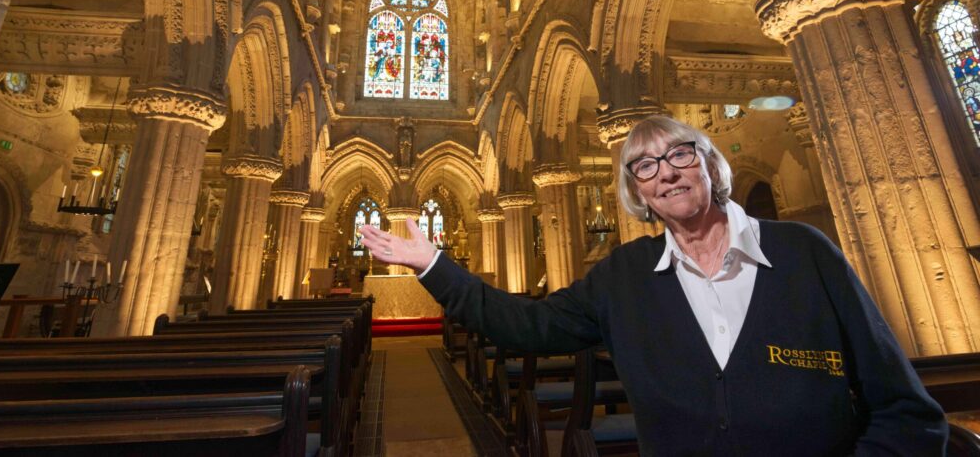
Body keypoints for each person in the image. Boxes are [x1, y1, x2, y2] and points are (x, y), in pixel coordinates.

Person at [358, 115, 947, 455]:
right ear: (637, 194)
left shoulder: (804, 254)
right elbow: (526, 326)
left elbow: (907, 412)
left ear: (711, 165)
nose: (665, 172)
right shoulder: (624, 276)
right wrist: (434, 263)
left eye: (680, 155)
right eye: (645, 166)